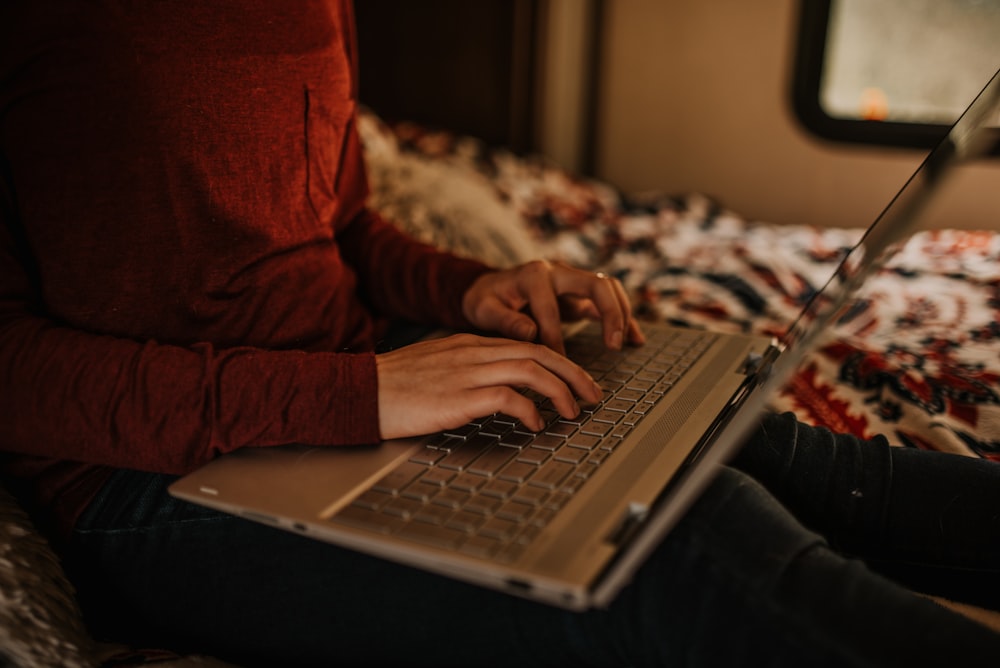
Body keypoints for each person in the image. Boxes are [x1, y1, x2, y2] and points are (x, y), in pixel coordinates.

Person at [1, 2, 998, 666]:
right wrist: (368, 396)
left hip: (354, 368)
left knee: (735, 433)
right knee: (678, 539)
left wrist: (470, 289)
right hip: (151, 473)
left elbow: (337, 223)